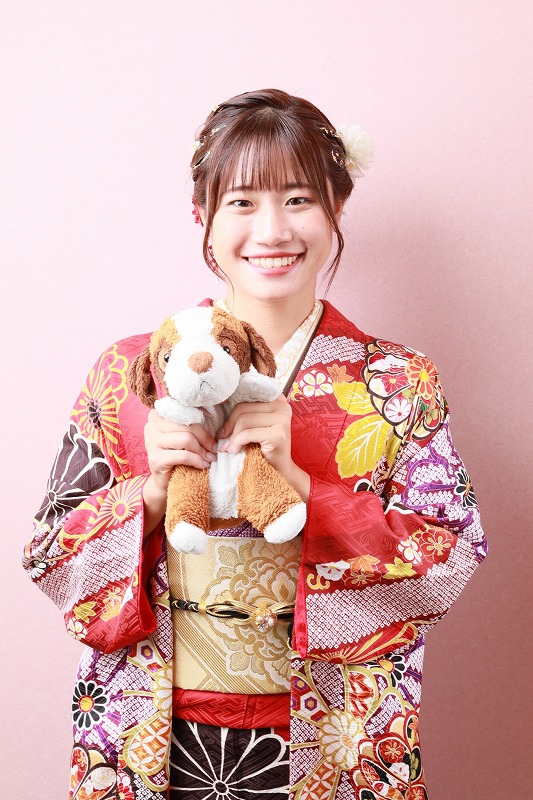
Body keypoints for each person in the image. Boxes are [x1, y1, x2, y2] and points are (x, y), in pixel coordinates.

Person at [23, 89, 487, 800]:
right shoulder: (129, 374)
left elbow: (450, 558)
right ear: (203, 218)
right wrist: (150, 496)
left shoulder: (397, 381)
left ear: (337, 208)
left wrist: (303, 490)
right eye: (241, 202)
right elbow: (50, 555)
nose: (272, 230)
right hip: (151, 728)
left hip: (336, 730)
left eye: (298, 199)